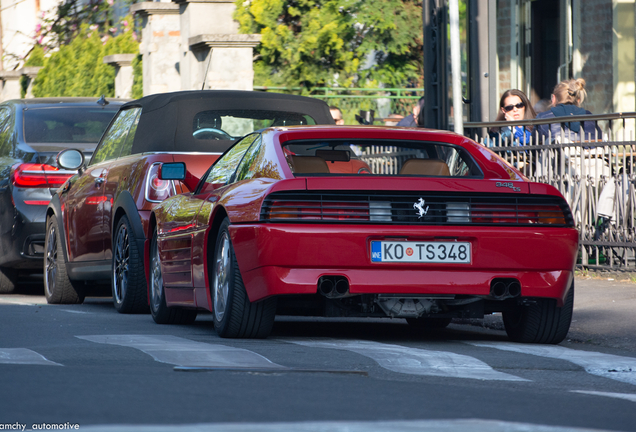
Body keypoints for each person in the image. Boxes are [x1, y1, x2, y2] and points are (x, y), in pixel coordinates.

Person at [536, 78, 601, 142]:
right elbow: (601, 139)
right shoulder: (589, 117)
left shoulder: (542, 118)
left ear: (553, 98)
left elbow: (534, 145)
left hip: (559, 152)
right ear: (578, 100)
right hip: (588, 152)